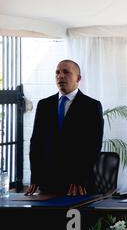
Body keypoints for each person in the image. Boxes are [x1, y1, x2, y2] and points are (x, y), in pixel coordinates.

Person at [25, 60, 104, 196]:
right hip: (48, 183)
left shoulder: (91, 106)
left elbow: (93, 146)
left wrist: (80, 178)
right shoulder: (44, 105)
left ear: (78, 78)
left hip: (77, 184)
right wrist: (35, 177)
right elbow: (36, 144)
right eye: (57, 72)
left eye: (66, 72)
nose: (60, 76)